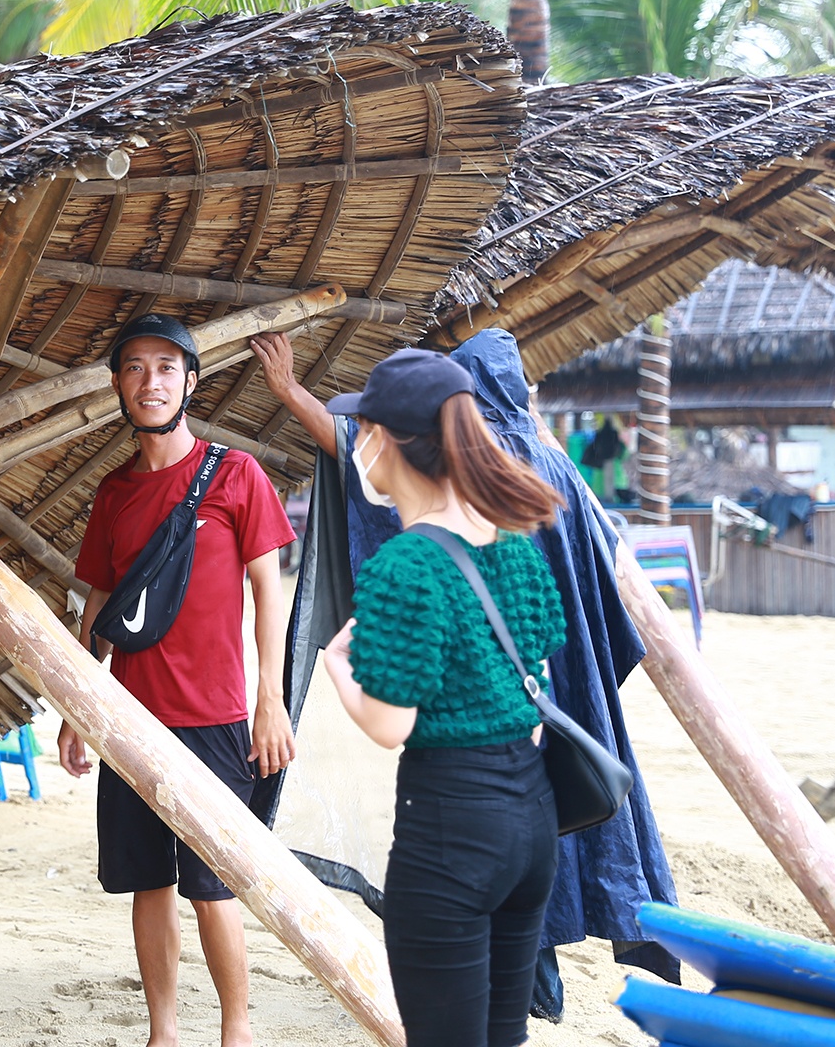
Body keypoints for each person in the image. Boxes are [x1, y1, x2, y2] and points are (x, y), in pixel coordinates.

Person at [252, 329, 679, 1017]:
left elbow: (352, 451)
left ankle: (533, 987)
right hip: (553, 717)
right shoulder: (551, 471)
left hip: (461, 774)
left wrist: (288, 390)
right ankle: (538, 990)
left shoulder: (451, 495)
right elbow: (596, 592)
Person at [317, 348, 566, 1047]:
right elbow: (537, 681)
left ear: (387, 439)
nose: (357, 443)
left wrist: (338, 667)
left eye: (363, 429)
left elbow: (390, 724)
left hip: (451, 828)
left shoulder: (404, 563)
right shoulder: (514, 545)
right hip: (532, 821)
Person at [61, 312, 297, 1047]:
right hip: (130, 720)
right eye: (135, 368)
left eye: (167, 368)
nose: (151, 381)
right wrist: (78, 705)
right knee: (147, 882)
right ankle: (162, 1033)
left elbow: (271, 590)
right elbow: (101, 604)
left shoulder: (236, 474)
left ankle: (236, 1032)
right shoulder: (113, 492)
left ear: (191, 382)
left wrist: (270, 699)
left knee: (211, 885)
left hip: (217, 718)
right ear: (118, 385)